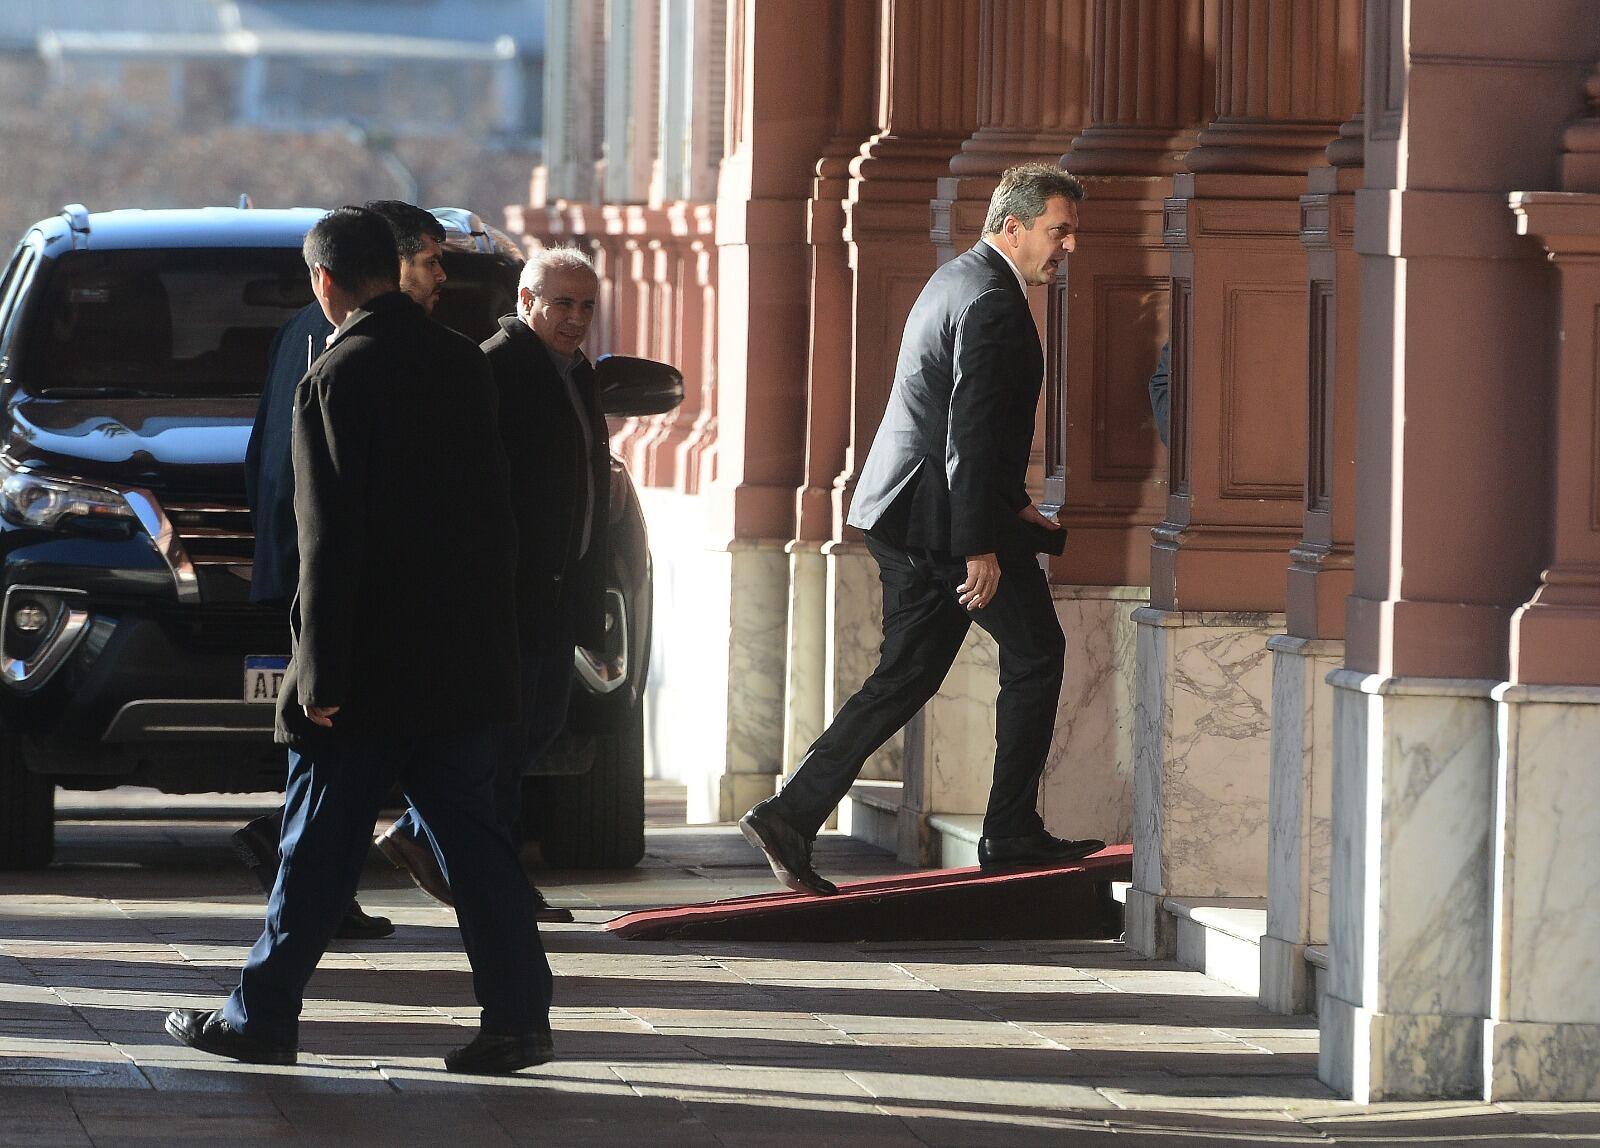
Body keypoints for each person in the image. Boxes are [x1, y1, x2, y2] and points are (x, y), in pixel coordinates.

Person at [166, 206, 552, 1074]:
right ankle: (520, 1018)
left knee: (315, 849)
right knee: (479, 850)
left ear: (325, 282)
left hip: (369, 673)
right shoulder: (464, 362)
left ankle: (261, 1018)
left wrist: (321, 673)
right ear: (396, 267)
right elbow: (496, 523)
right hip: (460, 664)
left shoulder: (336, 375)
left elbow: (328, 542)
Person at [739, 162, 1105, 896]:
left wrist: (1013, 504)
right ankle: (1009, 834)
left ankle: (789, 816)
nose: (1068, 246)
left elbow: (961, 418)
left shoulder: (958, 278)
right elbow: (966, 431)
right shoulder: (995, 302)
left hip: (905, 513)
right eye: (1059, 230)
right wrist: (981, 543)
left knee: (906, 675)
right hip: (942, 524)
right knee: (1037, 653)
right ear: (1015, 225)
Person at [233, 201, 448, 939]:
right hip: (325, 588)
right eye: (427, 261)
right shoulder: (336, 349)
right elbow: (314, 490)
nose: (438, 277)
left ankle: (297, 921)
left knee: (336, 773)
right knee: (331, 763)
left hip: (329, 589)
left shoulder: (376, 346)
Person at [386, 247, 612, 898]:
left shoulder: (577, 373)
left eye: (587, 306)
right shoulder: (495, 368)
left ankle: (423, 835)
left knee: (535, 728)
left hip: (558, 591)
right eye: (562, 303)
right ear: (526, 302)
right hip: (509, 594)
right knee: (502, 738)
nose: (575, 318)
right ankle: (488, 873)